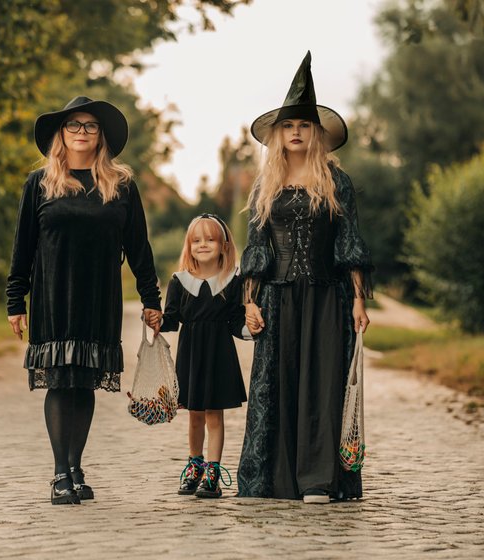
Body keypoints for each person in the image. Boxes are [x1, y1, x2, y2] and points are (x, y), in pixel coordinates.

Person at [6, 96, 162, 505]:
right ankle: (59, 474)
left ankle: (76, 466)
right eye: (73, 125)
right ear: (61, 134)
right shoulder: (39, 183)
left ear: (101, 136)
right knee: (60, 379)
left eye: (90, 126)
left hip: (99, 295)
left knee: (85, 381)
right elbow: (22, 246)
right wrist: (14, 300)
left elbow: (139, 247)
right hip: (54, 296)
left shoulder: (121, 184)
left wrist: (151, 299)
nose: (81, 132)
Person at [237, 52, 373, 504]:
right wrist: (250, 302)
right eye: (288, 125)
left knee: (323, 382)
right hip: (276, 298)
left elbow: (349, 241)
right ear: (278, 135)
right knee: (279, 383)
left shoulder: (337, 182)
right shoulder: (265, 186)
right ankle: (277, 481)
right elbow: (257, 247)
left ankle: (317, 480)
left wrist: (358, 299)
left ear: (316, 133)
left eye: (304, 125)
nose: (295, 132)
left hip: (326, 297)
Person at [160, 215, 259, 499]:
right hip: (191, 355)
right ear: (188, 246)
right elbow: (171, 320)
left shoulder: (233, 280)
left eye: (210, 239)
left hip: (219, 354)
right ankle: (195, 465)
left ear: (224, 245)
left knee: (215, 415)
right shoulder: (179, 281)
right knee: (194, 415)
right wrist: (154, 320)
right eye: (196, 240)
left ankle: (213, 472)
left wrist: (253, 331)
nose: (203, 245)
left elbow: (235, 321)